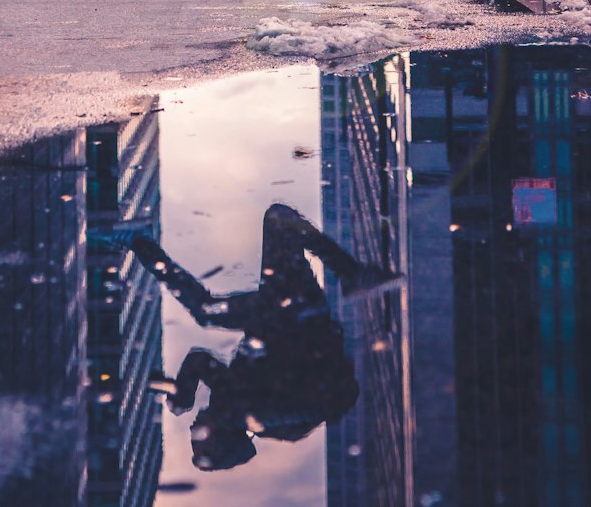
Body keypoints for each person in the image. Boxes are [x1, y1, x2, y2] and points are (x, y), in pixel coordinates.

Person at [122, 202, 399, 472]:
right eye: (199, 439)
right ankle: (138, 241)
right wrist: (182, 395)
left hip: (303, 315)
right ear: (220, 437)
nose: (193, 429)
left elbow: (201, 360)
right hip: (285, 319)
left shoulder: (252, 413)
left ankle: (351, 273)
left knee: (278, 220)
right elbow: (200, 362)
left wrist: (182, 392)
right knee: (207, 310)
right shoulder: (242, 410)